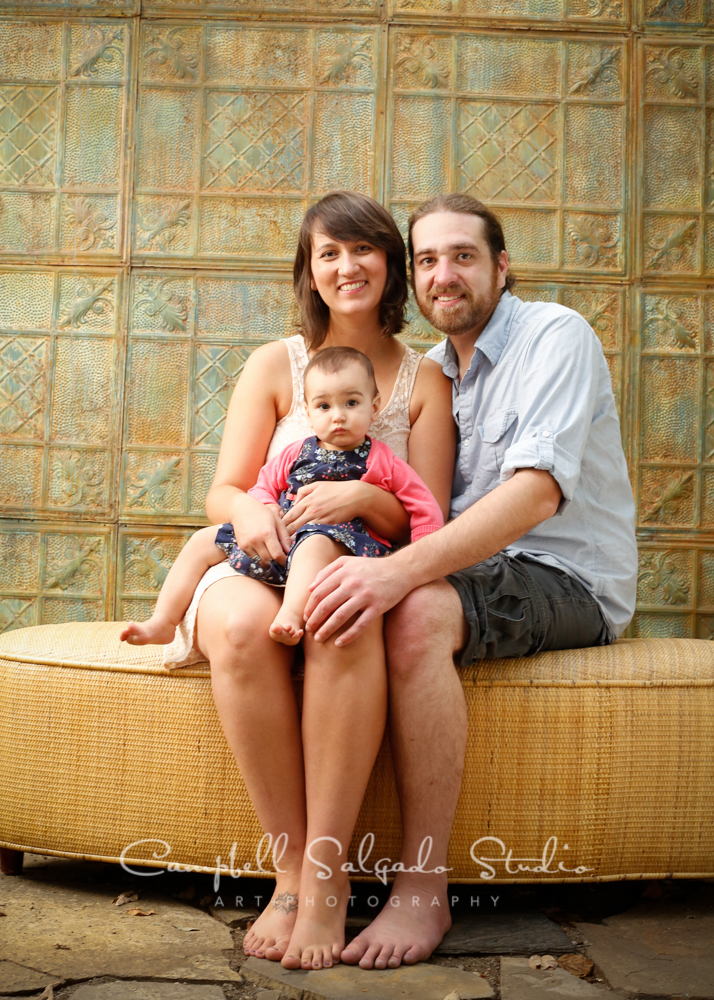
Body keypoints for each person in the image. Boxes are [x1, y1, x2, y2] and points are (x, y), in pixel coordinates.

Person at [302, 193, 638, 970]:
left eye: (463, 256)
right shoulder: (437, 374)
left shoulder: (555, 335)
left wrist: (392, 578)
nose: (443, 275)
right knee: (356, 597)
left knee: (414, 610)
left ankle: (423, 888)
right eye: (426, 260)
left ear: (501, 266)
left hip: (566, 576)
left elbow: (536, 494)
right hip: (480, 572)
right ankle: (314, 877)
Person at [159, 191, 456, 971]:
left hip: (353, 558)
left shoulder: (427, 381)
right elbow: (224, 488)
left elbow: (427, 523)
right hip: (261, 553)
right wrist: (248, 516)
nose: (346, 266)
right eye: (328, 252)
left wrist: (364, 497)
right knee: (235, 624)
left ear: (389, 264)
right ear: (310, 270)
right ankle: (291, 868)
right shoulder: (275, 363)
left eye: (363, 250)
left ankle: (327, 880)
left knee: (342, 613)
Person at [119, 347, 443, 648]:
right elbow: (262, 487)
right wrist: (267, 509)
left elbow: (423, 505)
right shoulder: (296, 451)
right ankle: (163, 620)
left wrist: (425, 558)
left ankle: (290, 614)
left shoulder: (381, 459)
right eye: (324, 406)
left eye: (351, 403)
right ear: (308, 411)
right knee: (204, 541)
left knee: (314, 544)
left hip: (335, 542)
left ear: (374, 406)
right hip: (282, 537)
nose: (338, 416)